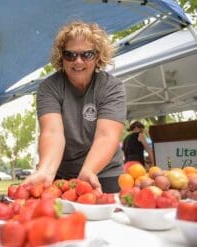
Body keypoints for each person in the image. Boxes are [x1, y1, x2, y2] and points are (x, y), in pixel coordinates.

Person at [25, 21, 126, 193]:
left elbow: (106, 135)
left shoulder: (112, 87)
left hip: (103, 174)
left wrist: (88, 171)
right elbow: (52, 133)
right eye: (70, 55)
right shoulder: (49, 87)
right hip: (61, 175)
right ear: (61, 57)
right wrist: (46, 171)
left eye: (87, 54)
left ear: (98, 56)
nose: (78, 61)